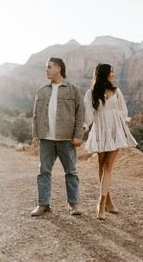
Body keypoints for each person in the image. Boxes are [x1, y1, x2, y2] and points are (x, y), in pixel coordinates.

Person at [31, 57, 84, 217]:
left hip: (66, 139)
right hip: (46, 139)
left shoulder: (73, 89)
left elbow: (80, 113)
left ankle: (73, 204)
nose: (46, 70)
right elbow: (35, 115)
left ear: (58, 69)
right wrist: (35, 135)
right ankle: (43, 204)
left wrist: (78, 135)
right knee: (43, 172)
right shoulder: (41, 90)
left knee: (71, 172)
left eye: (49, 67)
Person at [84, 63, 137, 220]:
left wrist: (123, 126)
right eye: (111, 71)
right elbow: (89, 115)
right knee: (101, 166)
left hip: (115, 130)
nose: (114, 73)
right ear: (104, 73)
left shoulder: (117, 91)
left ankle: (101, 202)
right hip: (100, 130)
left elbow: (123, 111)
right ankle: (108, 199)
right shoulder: (91, 93)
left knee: (108, 166)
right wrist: (84, 126)